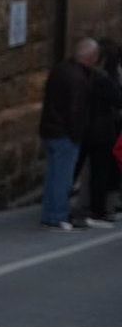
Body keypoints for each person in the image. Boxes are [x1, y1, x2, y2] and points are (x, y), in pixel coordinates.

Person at [38, 37, 101, 232]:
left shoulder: (60, 69)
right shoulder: (78, 78)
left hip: (50, 129)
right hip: (64, 133)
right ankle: (57, 216)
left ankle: (50, 214)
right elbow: (75, 109)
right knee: (62, 177)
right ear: (91, 57)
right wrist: (77, 134)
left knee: (54, 175)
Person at [79, 39, 120, 227]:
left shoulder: (86, 76)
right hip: (101, 130)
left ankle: (89, 207)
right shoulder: (102, 79)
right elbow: (117, 99)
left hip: (86, 128)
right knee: (100, 171)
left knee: (88, 170)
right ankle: (98, 211)